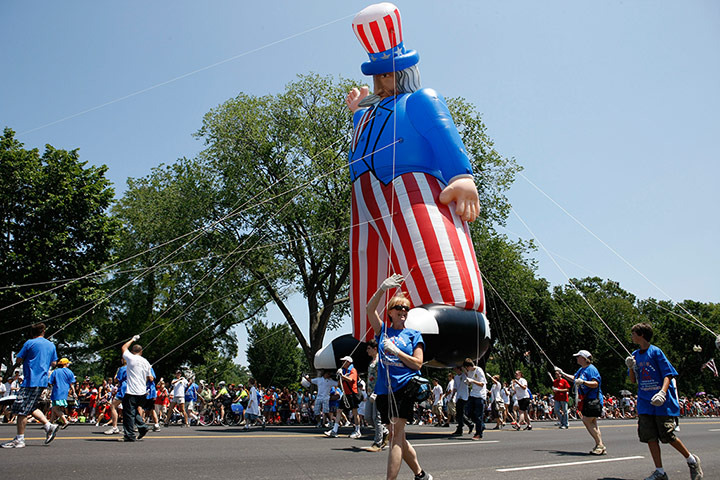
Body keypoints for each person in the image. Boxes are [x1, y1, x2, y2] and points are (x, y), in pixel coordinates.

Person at [346, 1, 485, 345]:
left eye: (388, 73)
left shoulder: (421, 100)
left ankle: (452, 310)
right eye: (377, 75)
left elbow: (443, 133)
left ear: (405, 72)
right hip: (364, 195)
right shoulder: (368, 115)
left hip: (411, 185)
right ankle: (368, 336)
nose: (381, 81)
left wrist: (461, 176)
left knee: (426, 243)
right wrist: (354, 111)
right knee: (368, 257)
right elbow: (363, 134)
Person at [367, 274, 432, 480]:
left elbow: (417, 363)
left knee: (395, 435)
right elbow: (369, 310)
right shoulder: (383, 331)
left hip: (404, 387)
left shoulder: (413, 335)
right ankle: (420, 474)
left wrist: (396, 351)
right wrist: (381, 289)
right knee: (400, 437)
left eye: (406, 308)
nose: (403, 311)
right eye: (399, 308)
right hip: (384, 390)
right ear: (391, 313)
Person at [627, 323, 703, 480]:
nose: (632, 336)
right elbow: (633, 381)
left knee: (667, 435)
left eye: (633, 333)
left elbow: (668, 374)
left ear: (641, 335)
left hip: (660, 402)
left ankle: (692, 460)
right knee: (650, 437)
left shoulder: (656, 352)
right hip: (644, 402)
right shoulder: (635, 354)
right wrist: (630, 367)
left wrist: (662, 392)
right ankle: (660, 471)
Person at [2, 323, 59, 448]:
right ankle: (49, 426)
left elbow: (18, 359)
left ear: (32, 333)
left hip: (31, 380)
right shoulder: (51, 345)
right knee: (30, 406)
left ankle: (20, 439)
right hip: (42, 381)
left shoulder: (29, 343)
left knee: (21, 409)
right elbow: (54, 362)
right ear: (43, 332)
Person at [557, 350, 605, 455]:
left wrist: (583, 382)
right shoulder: (581, 369)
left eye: (578, 357)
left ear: (584, 358)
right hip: (587, 399)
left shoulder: (591, 369)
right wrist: (562, 373)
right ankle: (599, 445)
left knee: (586, 420)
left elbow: (595, 383)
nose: (577, 358)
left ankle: (600, 444)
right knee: (593, 423)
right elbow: (574, 378)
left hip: (593, 399)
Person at [120, 335, 153, 442]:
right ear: (141, 351)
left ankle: (129, 435)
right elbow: (150, 378)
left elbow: (124, 348)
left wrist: (132, 339)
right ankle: (142, 427)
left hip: (132, 391)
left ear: (133, 351)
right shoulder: (146, 362)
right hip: (142, 392)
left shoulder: (131, 358)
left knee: (128, 413)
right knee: (133, 412)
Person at [328, 356, 362, 439]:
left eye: (344, 361)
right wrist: (339, 376)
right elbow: (339, 384)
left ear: (348, 362)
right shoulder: (344, 371)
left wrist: (342, 375)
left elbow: (351, 380)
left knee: (355, 412)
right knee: (339, 410)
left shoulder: (353, 370)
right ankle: (334, 430)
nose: (342, 363)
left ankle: (358, 430)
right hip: (345, 394)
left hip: (352, 394)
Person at [365, 339, 389, 451]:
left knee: (376, 418)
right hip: (370, 392)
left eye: (369, 348)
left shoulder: (380, 361)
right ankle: (385, 432)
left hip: (378, 392)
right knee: (368, 417)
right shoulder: (371, 361)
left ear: (375, 349)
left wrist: (377, 391)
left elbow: (382, 377)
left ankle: (377, 442)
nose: (367, 351)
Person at [462, 358, 487, 440]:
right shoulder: (469, 372)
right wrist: (468, 382)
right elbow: (470, 383)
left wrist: (472, 380)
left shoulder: (479, 371)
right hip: (473, 394)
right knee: (468, 412)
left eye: (466, 368)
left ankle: (479, 433)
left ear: (468, 366)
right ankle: (481, 426)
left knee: (478, 415)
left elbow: (482, 384)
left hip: (480, 395)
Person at [49, 357, 76, 429]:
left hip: (57, 391)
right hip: (64, 392)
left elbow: (50, 382)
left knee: (55, 408)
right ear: (65, 364)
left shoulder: (55, 371)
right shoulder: (70, 372)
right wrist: (74, 392)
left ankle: (65, 421)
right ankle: (50, 423)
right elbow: (71, 384)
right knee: (55, 407)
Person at [104, 359, 126, 435]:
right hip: (131, 389)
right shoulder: (132, 367)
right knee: (128, 409)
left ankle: (114, 427)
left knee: (113, 406)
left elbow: (116, 379)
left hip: (123, 389)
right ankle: (128, 427)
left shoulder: (122, 368)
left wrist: (116, 374)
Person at [450, 366, 472, 436]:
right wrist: (452, 395)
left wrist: (462, 367)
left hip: (464, 396)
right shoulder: (456, 377)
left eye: (455, 368)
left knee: (460, 413)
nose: (454, 370)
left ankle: (460, 428)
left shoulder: (464, 375)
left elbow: (468, 374)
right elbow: (455, 387)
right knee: (459, 413)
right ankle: (469, 424)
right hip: (458, 396)